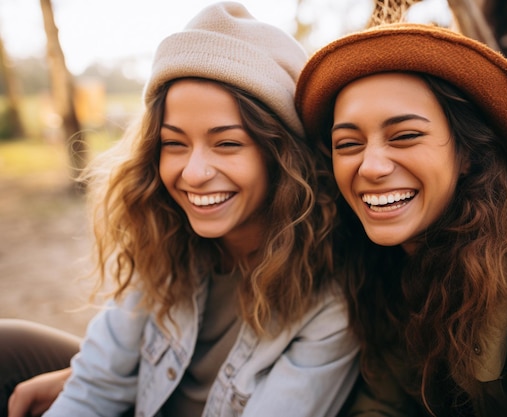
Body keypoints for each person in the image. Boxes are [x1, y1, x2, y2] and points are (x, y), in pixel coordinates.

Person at [1, 2, 359, 416]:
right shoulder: (165, 237)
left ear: (283, 157)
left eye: (227, 143)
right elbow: (93, 388)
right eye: (175, 143)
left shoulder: (329, 300)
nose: (194, 172)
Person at [295, 21, 507, 416]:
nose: (371, 166)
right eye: (348, 144)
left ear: (467, 153)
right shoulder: (375, 259)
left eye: (405, 136)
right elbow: (382, 404)